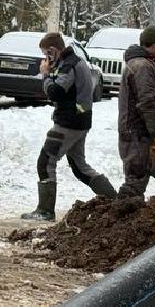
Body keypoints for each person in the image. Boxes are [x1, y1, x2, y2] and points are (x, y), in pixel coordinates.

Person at [21, 32, 117, 221]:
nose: (45, 58)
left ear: (53, 50)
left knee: (46, 161)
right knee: (79, 166)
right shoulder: (72, 62)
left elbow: (56, 92)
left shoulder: (69, 66)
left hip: (68, 122)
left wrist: (45, 75)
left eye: (46, 54)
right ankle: (115, 200)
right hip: (78, 121)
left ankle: (45, 211)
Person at [118, 27, 155, 200]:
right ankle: (122, 217)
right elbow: (146, 103)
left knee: (137, 178)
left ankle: (126, 215)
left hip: (136, 132)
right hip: (138, 133)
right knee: (136, 180)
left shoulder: (139, 64)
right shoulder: (143, 67)